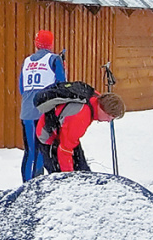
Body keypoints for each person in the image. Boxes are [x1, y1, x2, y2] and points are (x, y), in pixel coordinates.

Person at [36, 87, 125, 172]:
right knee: (60, 178)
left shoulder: (95, 98)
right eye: (110, 117)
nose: (109, 121)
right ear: (104, 111)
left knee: (83, 171)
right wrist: (68, 176)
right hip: (49, 138)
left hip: (66, 133)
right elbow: (64, 150)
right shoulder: (81, 117)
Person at [18, 30, 65, 181]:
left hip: (27, 112)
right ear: (51, 44)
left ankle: (26, 185)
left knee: (30, 151)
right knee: (43, 150)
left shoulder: (27, 61)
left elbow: (21, 87)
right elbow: (62, 85)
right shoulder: (54, 59)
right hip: (45, 112)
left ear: (36, 44)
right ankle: (37, 183)